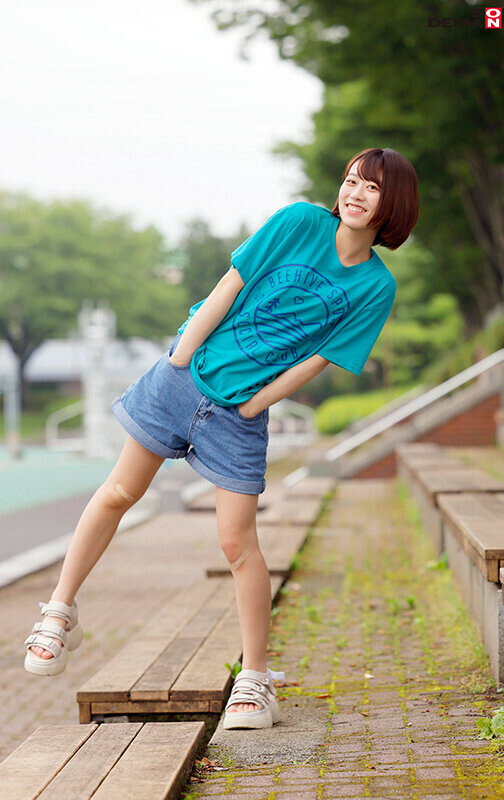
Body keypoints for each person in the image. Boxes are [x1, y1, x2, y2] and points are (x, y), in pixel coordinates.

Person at [23, 146, 419, 730]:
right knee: (119, 492)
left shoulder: (375, 287)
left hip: (239, 414)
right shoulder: (300, 222)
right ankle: (60, 610)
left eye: (373, 187)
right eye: (352, 180)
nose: (355, 194)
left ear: (394, 205)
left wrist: (255, 404)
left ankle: (255, 680)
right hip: (184, 376)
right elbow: (231, 283)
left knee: (237, 544)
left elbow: (320, 359)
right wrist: (181, 356)